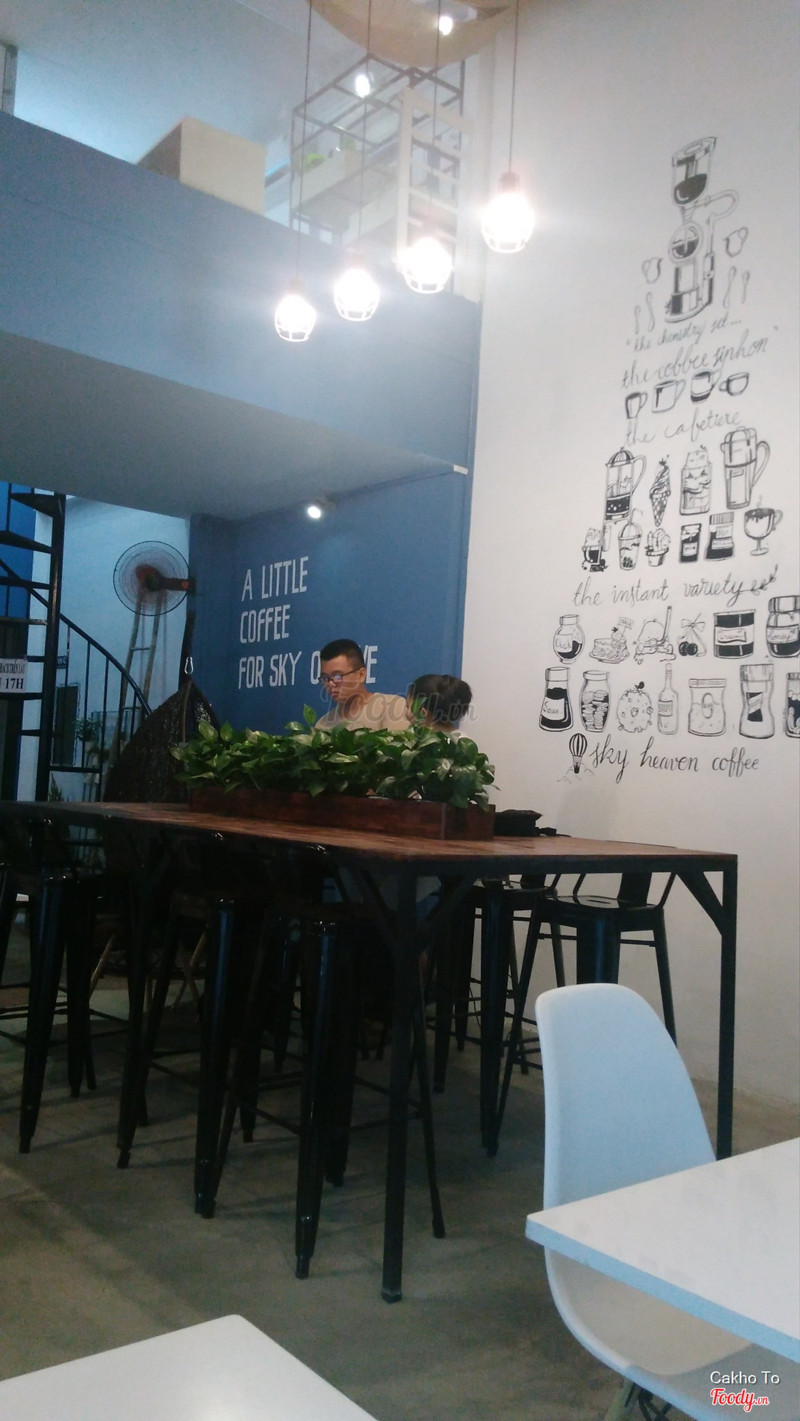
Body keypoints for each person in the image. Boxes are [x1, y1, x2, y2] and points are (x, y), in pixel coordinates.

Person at [315, 638, 411, 730]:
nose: (330, 684)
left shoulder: (392, 707)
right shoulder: (323, 725)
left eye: (337, 676)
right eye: (325, 678)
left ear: (361, 675)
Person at [406, 673, 472, 734]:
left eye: (407, 706)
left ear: (422, 713)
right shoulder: (462, 739)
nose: (405, 712)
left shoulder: (416, 741)